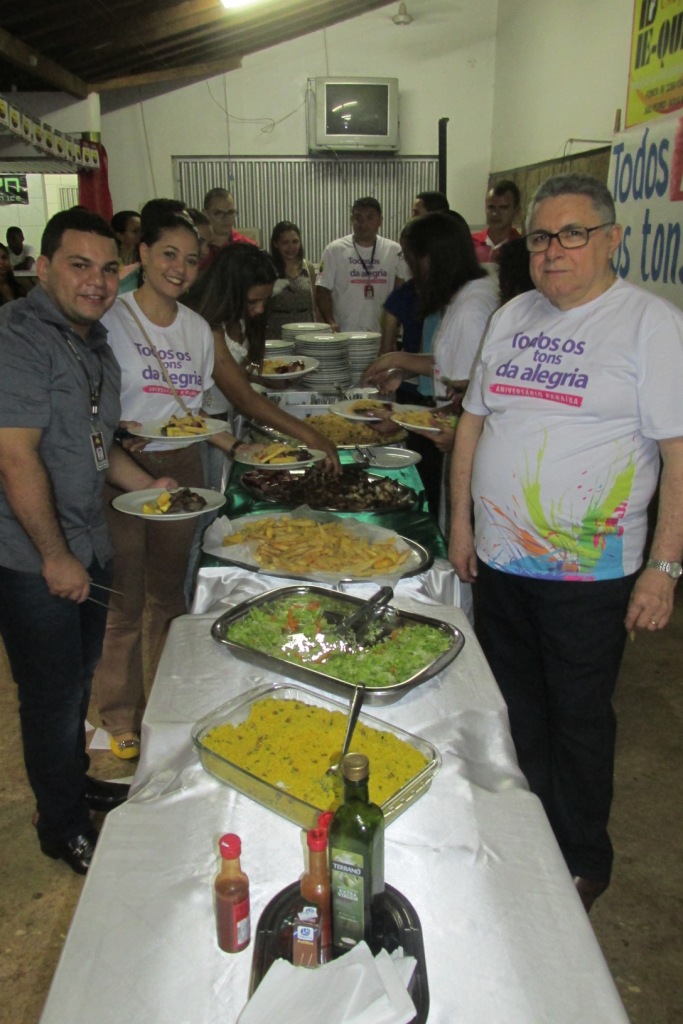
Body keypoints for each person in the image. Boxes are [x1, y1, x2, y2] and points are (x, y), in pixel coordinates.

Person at [449, 173, 683, 912]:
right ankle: (528, 839)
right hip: (499, 561)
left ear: (611, 238)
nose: (552, 250)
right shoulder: (512, 312)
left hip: (589, 572)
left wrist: (665, 568)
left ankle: (581, 857)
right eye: (541, 236)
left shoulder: (649, 324)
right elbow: (472, 424)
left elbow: (679, 454)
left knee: (577, 716)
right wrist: (460, 522)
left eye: (572, 233)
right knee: (513, 708)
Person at [0, 208, 178, 874]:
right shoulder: (17, 339)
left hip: (87, 538)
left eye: (108, 269)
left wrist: (153, 481)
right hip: (29, 554)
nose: (96, 282)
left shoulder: (93, 341)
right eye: (79, 266)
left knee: (77, 682)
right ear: (43, 268)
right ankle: (60, 821)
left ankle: (74, 783)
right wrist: (54, 557)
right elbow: (14, 457)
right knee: (51, 697)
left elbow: (101, 452)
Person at [95, 211, 245, 761]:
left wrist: (239, 447)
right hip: (120, 472)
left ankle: (165, 698)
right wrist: (116, 432)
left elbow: (200, 411)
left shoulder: (196, 329)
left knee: (169, 592)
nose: (180, 268)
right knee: (123, 599)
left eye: (190, 258)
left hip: (181, 466)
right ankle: (117, 712)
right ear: (142, 255)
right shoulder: (112, 317)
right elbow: (92, 400)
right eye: (168, 255)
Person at [365, 212, 498, 520]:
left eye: (410, 261)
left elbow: (465, 402)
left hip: (467, 451)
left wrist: (400, 420)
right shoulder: (469, 293)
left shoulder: (469, 310)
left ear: (428, 260)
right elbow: (456, 367)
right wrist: (399, 364)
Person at [183, 244, 339, 465]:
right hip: (204, 434)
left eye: (265, 300)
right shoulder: (206, 326)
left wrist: (261, 379)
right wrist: (311, 436)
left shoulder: (236, 317)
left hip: (228, 426)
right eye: (252, 302)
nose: (260, 310)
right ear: (228, 292)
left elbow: (230, 372)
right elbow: (243, 397)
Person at [316, 196, 404, 333]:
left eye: (370, 218)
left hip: (382, 332)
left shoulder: (394, 251)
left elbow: (400, 289)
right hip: (344, 331)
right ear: (351, 219)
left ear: (380, 221)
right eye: (358, 218)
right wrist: (330, 322)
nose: (363, 223)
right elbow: (322, 289)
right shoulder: (334, 249)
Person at [265, 220, 318, 338]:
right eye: (285, 242)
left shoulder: (308, 268)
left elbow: (314, 306)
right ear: (275, 243)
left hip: (306, 332)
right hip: (277, 331)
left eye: (295, 242)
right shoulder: (268, 269)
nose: (291, 247)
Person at [201, 187, 257, 267]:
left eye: (230, 212)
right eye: (219, 213)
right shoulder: (198, 248)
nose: (226, 218)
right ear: (206, 214)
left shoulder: (249, 247)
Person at [471, 179, 521, 263]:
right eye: (491, 207)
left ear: (516, 210)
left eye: (503, 207)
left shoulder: (523, 248)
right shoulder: (471, 243)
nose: (495, 214)